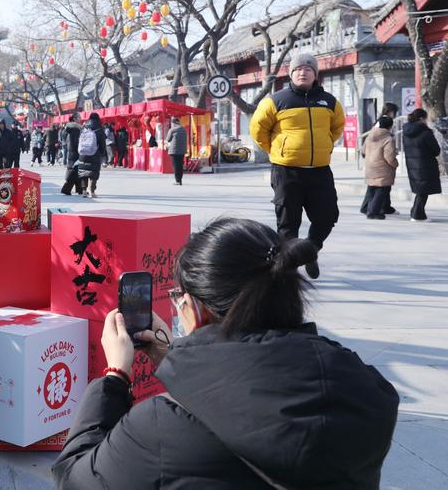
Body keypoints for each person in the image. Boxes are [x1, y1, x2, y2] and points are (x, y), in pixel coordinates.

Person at [52, 217, 399, 490]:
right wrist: (174, 359)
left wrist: (116, 377)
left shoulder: (163, 427)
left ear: (195, 310)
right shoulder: (365, 390)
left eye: (179, 298)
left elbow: (75, 477)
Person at [249, 52, 344, 279]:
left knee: (328, 216)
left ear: (315, 75)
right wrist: (276, 150)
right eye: (299, 69)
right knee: (288, 224)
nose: (303, 72)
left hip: (319, 171)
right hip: (286, 171)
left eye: (308, 69)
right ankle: (289, 269)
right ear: (291, 74)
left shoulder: (329, 101)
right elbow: (257, 129)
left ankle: (310, 250)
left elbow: (337, 126)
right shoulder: (276, 100)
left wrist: (326, 144)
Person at [403, 108, 442, 221]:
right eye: (426, 118)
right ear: (421, 119)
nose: (427, 121)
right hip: (425, 165)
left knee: (421, 190)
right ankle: (417, 215)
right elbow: (436, 150)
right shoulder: (426, 132)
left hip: (412, 165)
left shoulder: (406, 132)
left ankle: (417, 213)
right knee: (423, 191)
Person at [360, 116, 398, 219]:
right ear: (390, 126)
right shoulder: (388, 138)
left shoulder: (370, 135)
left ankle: (366, 207)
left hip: (370, 166)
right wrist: (395, 164)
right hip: (382, 168)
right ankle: (373, 212)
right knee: (382, 190)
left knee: (372, 188)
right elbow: (389, 157)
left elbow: (363, 151)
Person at [76, 112, 107, 198]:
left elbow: (79, 141)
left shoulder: (84, 128)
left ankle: (84, 190)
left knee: (83, 172)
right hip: (94, 153)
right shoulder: (99, 129)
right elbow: (102, 144)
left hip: (83, 153)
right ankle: (92, 191)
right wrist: (102, 154)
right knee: (93, 173)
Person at [60, 113, 84, 195]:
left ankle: (80, 189)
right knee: (74, 170)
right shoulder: (75, 129)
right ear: (75, 119)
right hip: (75, 152)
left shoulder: (68, 128)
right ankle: (66, 189)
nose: (80, 119)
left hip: (71, 151)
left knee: (77, 170)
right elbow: (76, 142)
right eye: (79, 117)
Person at [165, 116, 187, 185]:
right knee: (180, 165)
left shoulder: (172, 130)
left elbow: (168, 139)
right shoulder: (184, 129)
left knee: (175, 166)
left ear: (173, 123)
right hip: (182, 150)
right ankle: (180, 180)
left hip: (174, 151)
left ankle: (177, 181)